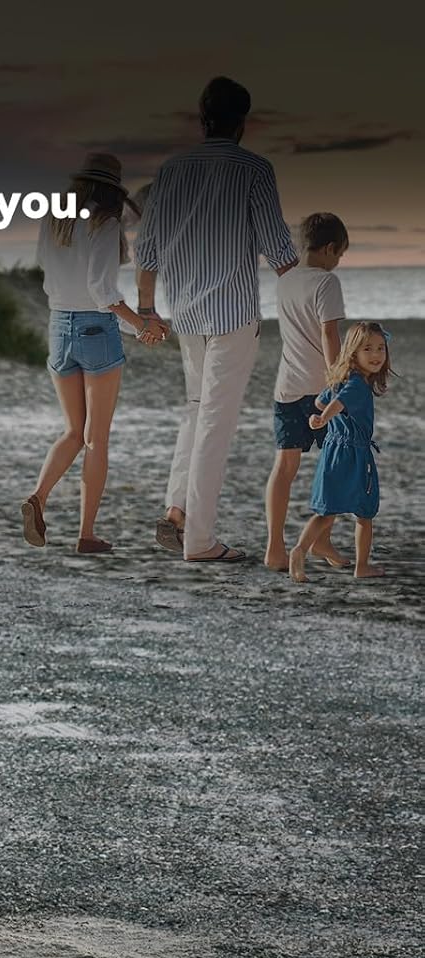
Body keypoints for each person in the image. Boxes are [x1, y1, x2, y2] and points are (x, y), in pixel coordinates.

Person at [136, 76, 298, 563]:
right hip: (232, 315)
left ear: (202, 119)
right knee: (215, 422)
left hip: (185, 312)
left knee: (196, 407)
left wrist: (147, 310)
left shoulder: (171, 170)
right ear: (242, 123)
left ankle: (177, 511)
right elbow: (278, 249)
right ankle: (200, 541)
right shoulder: (254, 169)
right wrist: (310, 291)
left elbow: (146, 250)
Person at [20, 153, 168, 555]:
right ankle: (86, 535)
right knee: (95, 440)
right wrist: (142, 324)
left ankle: (37, 498)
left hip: (58, 326)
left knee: (72, 430)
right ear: (111, 191)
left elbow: (55, 279)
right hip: (95, 329)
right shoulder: (106, 223)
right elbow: (102, 292)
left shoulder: (54, 218)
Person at [266, 212, 350, 570]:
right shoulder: (326, 283)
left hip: (287, 387)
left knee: (284, 468)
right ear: (330, 248)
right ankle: (321, 540)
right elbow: (329, 334)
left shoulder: (285, 281)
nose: (337, 262)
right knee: (336, 468)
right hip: (320, 389)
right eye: (340, 255)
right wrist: (337, 380)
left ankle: (274, 549)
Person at [289, 322, 391, 582]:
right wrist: (324, 418)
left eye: (381, 348)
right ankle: (362, 566)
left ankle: (301, 549)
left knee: (326, 511)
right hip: (354, 455)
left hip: (333, 451)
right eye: (368, 348)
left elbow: (321, 400)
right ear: (353, 352)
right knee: (365, 514)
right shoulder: (357, 385)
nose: (376, 354)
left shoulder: (344, 378)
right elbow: (335, 404)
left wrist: (319, 419)